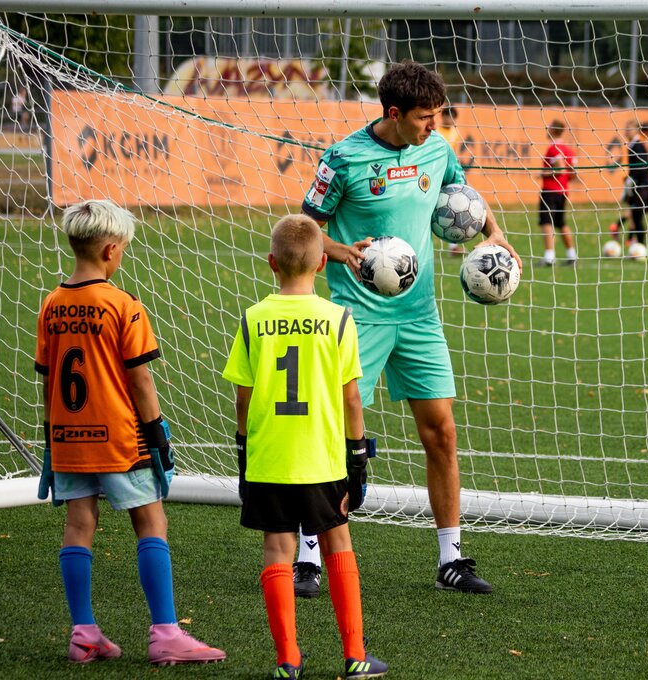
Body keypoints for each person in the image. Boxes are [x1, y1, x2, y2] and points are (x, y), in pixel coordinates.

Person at [298, 60, 521, 596]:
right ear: (394, 113)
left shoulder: (437, 150)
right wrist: (340, 251)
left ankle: (451, 559)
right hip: (359, 316)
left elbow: (464, 196)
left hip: (420, 316)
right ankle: (308, 555)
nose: (433, 126)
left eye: (437, 116)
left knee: (441, 432)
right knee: (332, 435)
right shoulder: (343, 158)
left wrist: (495, 234)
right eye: (424, 117)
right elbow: (305, 229)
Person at [34, 199, 225, 666]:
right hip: (120, 438)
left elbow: (47, 379)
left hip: (68, 437)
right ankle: (165, 633)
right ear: (111, 250)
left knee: (79, 524)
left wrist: (52, 438)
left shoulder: (52, 304)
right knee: (151, 521)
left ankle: (83, 633)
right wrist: (158, 434)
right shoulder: (123, 305)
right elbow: (140, 380)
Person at [222, 215, 388, 679]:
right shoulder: (338, 320)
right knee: (338, 541)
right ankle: (355, 655)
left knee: (278, 548)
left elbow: (242, 398)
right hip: (323, 458)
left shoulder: (253, 319)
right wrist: (358, 457)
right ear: (321, 264)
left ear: (271, 263)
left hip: (269, 457)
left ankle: (287, 661)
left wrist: (243, 450)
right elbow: (351, 398)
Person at [536, 119, 577, 266]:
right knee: (561, 223)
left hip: (550, 191)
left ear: (553, 130)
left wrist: (543, 174)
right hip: (563, 191)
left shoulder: (554, 149)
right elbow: (573, 173)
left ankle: (549, 257)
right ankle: (572, 255)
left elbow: (560, 168)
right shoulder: (569, 150)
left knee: (547, 222)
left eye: (549, 127)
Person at [438, 105, 469, 256]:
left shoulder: (455, 133)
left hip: (449, 172)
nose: (450, 120)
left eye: (452, 117)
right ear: (442, 117)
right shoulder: (436, 132)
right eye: (447, 116)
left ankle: (453, 247)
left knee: (454, 206)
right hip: (436, 171)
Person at [624, 121, 648, 250]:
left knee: (637, 216)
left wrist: (632, 179)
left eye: (629, 129)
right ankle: (637, 244)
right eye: (626, 129)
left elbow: (643, 166)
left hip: (643, 186)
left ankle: (641, 246)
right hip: (638, 186)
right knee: (635, 216)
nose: (626, 132)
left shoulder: (638, 145)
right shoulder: (632, 145)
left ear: (636, 130)